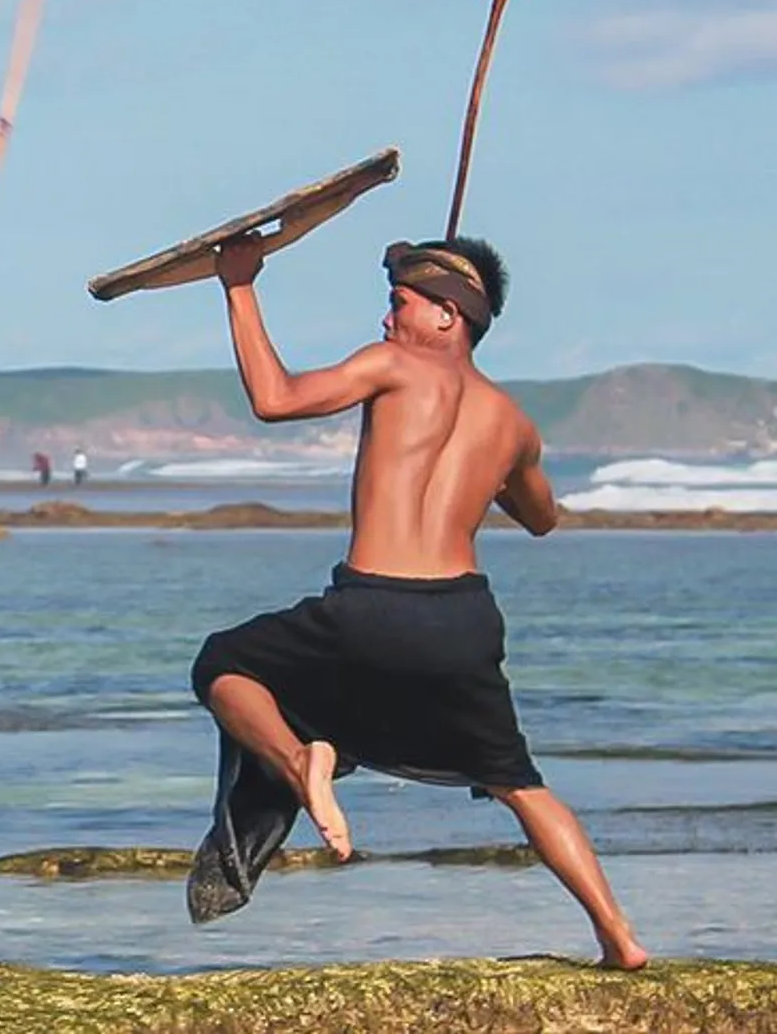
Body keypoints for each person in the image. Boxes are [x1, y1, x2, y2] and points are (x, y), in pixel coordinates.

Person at [182, 232, 648, 970]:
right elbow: (542, 518)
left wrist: (239, 287)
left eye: (399, 302)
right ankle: (619, 936)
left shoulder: (391, 366)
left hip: (373, 604)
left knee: (224, 663)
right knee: (518, 782)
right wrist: (486, 467)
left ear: (447, 315)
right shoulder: (514, 423)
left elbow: (275, 399)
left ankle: (303, 760)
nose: (386, 320)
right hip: (463, 619)